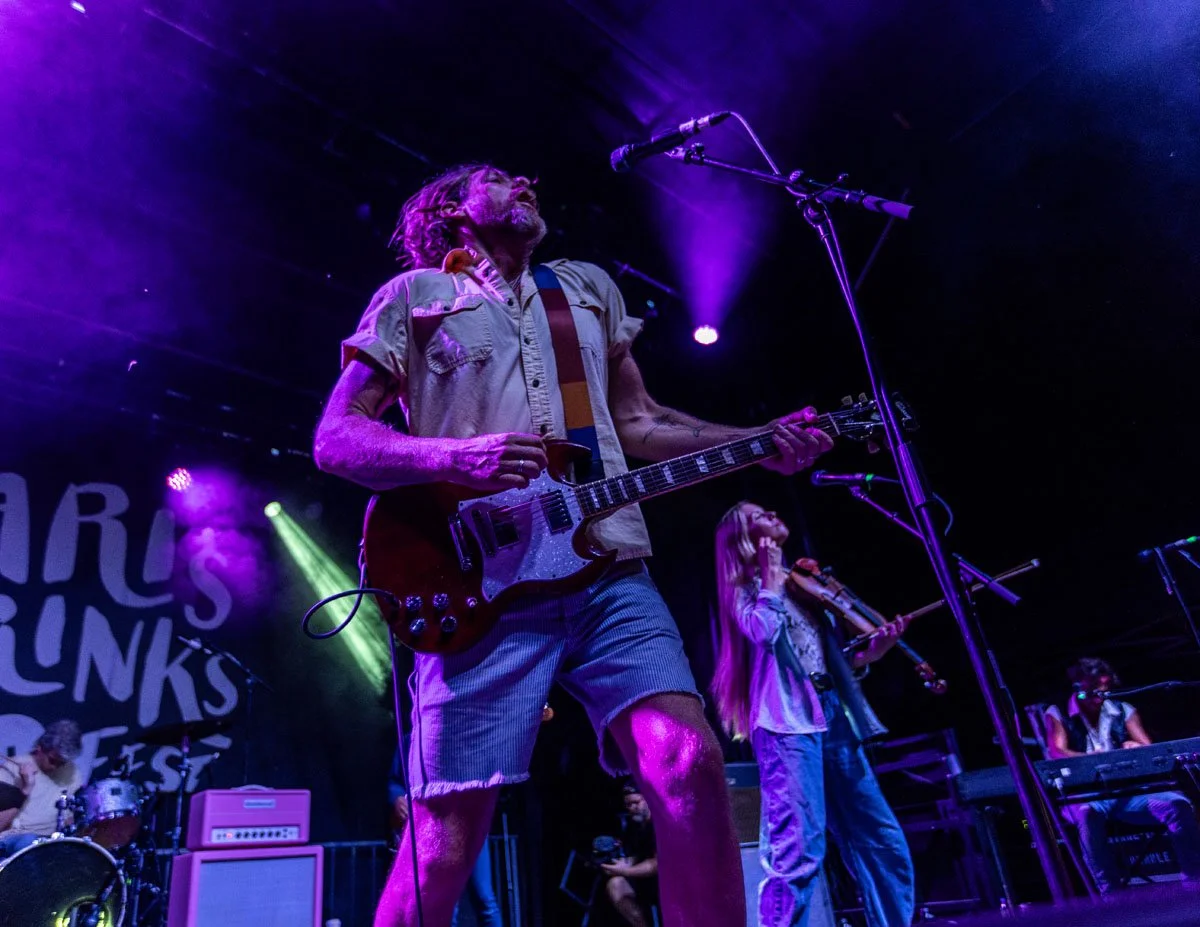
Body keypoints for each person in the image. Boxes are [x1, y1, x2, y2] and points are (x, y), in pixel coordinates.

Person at [313, 163, 833, 927]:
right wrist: (457, 458)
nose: (527, 179)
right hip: (477, 590)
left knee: (691, 763)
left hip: (609, 576)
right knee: (446, 837)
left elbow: (638, 422)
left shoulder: (583, 290)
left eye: (526, 176)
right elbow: (336, 438)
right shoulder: (414, 299)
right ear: (456, 209)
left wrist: (755, 441)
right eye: (499, 178)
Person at [711, 502, 915, 927]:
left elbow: (821, 657)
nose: (772, 511)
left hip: (835, 716)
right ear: (743, 536)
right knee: (798, 846)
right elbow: (763, 633)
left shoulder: (803, 583)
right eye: (758, 514)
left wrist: (869, 653)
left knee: (879, 838)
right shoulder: (744, 586)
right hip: (787, 722)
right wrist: (769, 574)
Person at [1043, 657, 1200, 894]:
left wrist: (1134, 746)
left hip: (1128, 794)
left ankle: (1194, 881)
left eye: (1106, 689)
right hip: (1085, 796)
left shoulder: (1123, 710)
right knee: (1087, 815)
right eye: (1095, 688)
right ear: (1080, 686)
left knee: (1177, 805)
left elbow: (1147, 747)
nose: (1102, 694)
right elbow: (1056, 751)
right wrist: (1090, 760)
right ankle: (1111, 895)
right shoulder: (1058, 711)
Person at [388, 743, 503, 927]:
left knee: (484, 900)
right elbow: (395, 781)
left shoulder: (464, 736)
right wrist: (396, 798)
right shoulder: (411, 741)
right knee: (447, 906)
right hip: (435, 832)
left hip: (469, 826)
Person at [0, 719, 85, 857]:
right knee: (28, 842)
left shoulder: (72, 772)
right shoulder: (12, 769)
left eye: (62, 763)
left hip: (49, 841)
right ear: (39, 749)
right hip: (14, 840)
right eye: (52, 760)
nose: (57, 767)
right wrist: (25, 790)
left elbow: (68, 820)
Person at [600, 785, 659, 927]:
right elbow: (636, 856)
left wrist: (625, 870)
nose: (632, 808)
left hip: (668, 881)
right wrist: (617, 864)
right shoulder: (634, 826)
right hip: (645, 883)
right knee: (615, 885)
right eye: (628, 805)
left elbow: (657, 864)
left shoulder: (659, 825)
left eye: (636, 802)